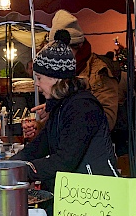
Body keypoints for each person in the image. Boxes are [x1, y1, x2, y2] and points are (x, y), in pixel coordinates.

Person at [11, 29, 117, 195]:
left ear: (56, 78)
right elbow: (39, 146)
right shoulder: (60, 106)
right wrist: (9, 165)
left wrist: (24, 171)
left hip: (96, 195)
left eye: (39, 78)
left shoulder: (82, 107)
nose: (36, 84)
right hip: (77, 193)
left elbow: (65, 160)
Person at [23, 10, 120, 138]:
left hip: (93, 152)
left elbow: (107, 121)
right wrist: (43, 124)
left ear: (77, 47)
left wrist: (63, 111)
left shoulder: (99, 72)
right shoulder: (60, 73)